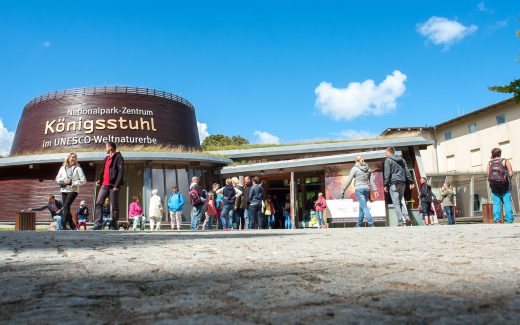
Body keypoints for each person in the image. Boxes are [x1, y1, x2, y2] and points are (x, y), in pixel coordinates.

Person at [91, 142, 124, 230]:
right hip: (104, 185)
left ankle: (114, 224)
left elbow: (120, 172)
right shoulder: (106, 158)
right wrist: (100, 181)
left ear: (110, 148)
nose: (105, 148)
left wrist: (116, 185)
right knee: (99, 202)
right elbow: (104, 172)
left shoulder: (118, 157)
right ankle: (98, 224)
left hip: (113, 186)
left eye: (106, 147)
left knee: (114, 205)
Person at [341, 155, 379, 227]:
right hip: (367, 189)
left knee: (364, 206)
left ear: (356, 161)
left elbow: (349, 180)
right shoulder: (368, 168)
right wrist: (375, 190)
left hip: (359, 189)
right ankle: (359, 224)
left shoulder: (355, 168)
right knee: (361, 207)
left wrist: (344, 189)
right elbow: (371, 181)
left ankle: (370, 222)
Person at [383, 147, 415, 226]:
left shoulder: (388, 160)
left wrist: (386, 185)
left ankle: (400, 221)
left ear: (390, 152)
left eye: (386, 152)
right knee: (400, 201)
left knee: (396, 203)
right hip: (403, 183)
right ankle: (407, 217)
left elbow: (387, 174)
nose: (385, 154)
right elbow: (407, 171)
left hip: (394, 183)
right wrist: (411, 181)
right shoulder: (402, 160)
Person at [55, 152, 86, 230]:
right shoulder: (62, 168)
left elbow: (84, 180)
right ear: (68, 158)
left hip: (73, 189)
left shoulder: (78, 168)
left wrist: (75, 183)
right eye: (72, 157)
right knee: (66, 208)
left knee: (66, 206)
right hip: (64, 189)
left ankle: (63, 225)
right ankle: (72, 226)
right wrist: (63, 180)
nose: (73, 159)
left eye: (75, 157)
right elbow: (57, 178)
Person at [487, 148, 514, 224]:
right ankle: (509, 220)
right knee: (507, 202)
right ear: (500, 153)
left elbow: (488, 175)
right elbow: (511, 173)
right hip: (505, 185)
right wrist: (507, 178)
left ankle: (497, 220)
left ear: (492, 154)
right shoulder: (505, 161)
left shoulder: (489, 163)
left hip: (494, 186)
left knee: (496, 203)